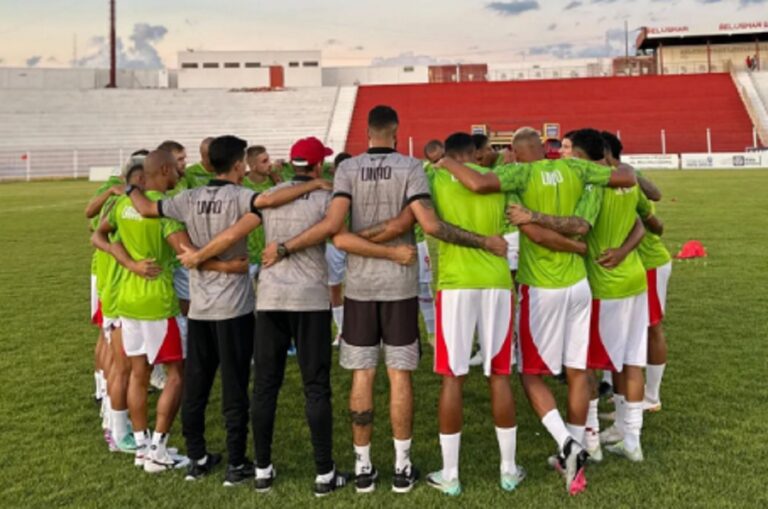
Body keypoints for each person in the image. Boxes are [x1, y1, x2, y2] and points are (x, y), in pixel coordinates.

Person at [259, 105, 508, 495]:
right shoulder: (410, 168)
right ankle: (402, 467)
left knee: (362, 374)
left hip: (359, 287)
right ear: (396, 131)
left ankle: (363, 467)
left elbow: (335, 232)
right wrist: (399, 245)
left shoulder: (346, 169)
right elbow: (427, 225)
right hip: (399, 286)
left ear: (367, 132)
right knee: (399, 375)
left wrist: (352, 246)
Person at [177, 138, 416, 496]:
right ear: (318, 167)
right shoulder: (327, 197)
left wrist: (200, 257)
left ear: (294, 163)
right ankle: (323, 472)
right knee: (315, 386)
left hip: (271, 299)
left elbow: (240, 227)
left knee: (266, 386)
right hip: (309, 301)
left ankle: (262, 468)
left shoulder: (270, 198)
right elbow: (339, 234)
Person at [439, 126, 636, 495]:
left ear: (515, 150)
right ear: (544, 148)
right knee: (578, 371)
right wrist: (577, 248)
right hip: (579, 285)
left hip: (541, 287)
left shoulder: (519, 174)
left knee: (530, 374)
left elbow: (481, 186)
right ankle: (573, 452)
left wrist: (445, 161)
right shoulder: (575, 169)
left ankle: (567, 444)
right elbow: (624, 176)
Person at [128, 135, 327, 486]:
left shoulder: (187, 197)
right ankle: (236, 463)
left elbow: (146, 208)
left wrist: (128, 188)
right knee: (235, 387)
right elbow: (269, 199)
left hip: (200, 307)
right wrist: (315, 185)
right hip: (233, 307)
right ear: (238, 165)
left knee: (196, 386)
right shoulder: (241, 197)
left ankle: (197, 457)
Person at [424, 133, 523, 496]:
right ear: (474, 153)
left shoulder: (434, 175)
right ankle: (508, 470)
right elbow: (513, 235)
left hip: (456, 284)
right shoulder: (497, 183)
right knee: (499, 375)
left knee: (453, 377)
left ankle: (451, 474)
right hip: (497, 282)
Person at [93, 150, 192, 472]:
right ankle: (158, 452)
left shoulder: (123, 205)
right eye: (176, 168)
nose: (180, 173)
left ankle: (140, 446)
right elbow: (186, 252)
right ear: (162, 171)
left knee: (139, 374)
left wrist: (129, 263)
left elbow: (100, 234)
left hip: (128, 300)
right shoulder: (164, 211)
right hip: (157, 303)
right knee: (177, 375)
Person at [97, 156, 147, 454]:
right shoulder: (124, 208)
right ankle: (118, 433)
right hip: (119, 293)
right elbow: (98, 236)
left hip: (116, 291)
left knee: (123, 366)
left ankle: (115, 425)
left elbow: (97, 235)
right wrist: (129, 262)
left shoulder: (121, 206)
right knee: (123, 367)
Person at [326, 152, 352, 346]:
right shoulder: (327, 188)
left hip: (357, 241)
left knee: (360, 286)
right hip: (332, 244)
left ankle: (365, 330)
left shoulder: (360, 186)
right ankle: (342, 331)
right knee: (334, 287)